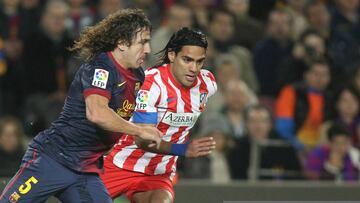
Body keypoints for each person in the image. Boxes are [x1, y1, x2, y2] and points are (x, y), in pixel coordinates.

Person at [0, 8, 162, 203]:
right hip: (53, 159)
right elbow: (97, 113)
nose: (148, 50)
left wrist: (149, 135)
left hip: (86, 170)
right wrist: (137, 130)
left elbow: (140, 129)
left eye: (148, 42)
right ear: (121, 42)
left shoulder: (138, 77)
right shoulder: (100, 67)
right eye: (142, 42)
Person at [100, 27, 217, 203]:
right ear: (172, 55)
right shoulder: (150, 84)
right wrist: (183, 149)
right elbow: (143, 140)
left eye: (199, 62)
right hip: (121, 164)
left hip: (159, 173)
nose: (194, 68)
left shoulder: (207, 84)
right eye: (187, 60)